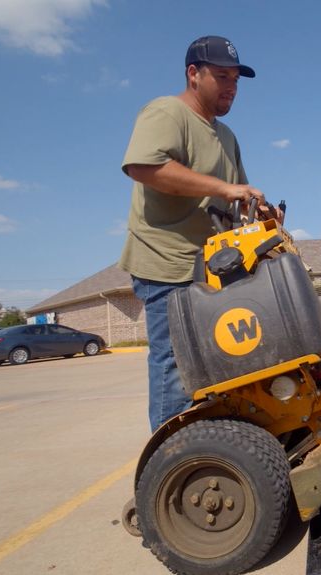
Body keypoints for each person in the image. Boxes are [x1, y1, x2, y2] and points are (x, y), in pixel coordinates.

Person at [119, 35, 270, 431]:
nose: (231, 87)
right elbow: (144, 167)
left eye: (236, 79)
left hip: (212, 268)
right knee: (176, 366)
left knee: (221, 360)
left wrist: (261, 212)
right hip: (167, 264)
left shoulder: (226, 136)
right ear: (193, 74)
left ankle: (217, 445)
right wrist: (223, 188)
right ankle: (176, 463)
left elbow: (237, 197)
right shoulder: (167, 112)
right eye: (221, 76)